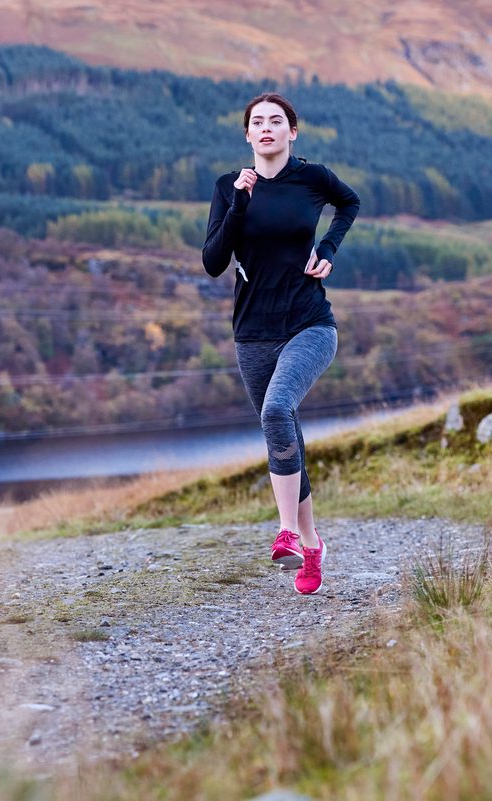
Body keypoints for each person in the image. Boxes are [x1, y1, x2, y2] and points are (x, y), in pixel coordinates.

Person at [201, 92, 360, 595]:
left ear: (293, 132)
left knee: (276, 412)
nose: (266, 128)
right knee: (283, 430)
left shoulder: (313, 179)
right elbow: (212, 260)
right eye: (257, 122)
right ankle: (311, 544)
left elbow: (349, 202)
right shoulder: (229, 187)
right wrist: (239, 204)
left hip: (310, 324)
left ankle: (287, 532)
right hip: (252, 334)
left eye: (276, 121)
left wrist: (329, 249)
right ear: (247, 135)